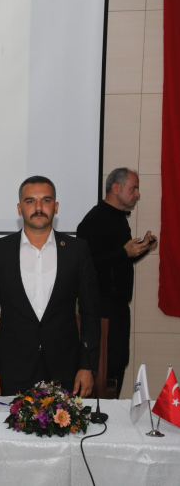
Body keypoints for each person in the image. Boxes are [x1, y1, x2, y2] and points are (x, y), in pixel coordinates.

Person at [0, 176, 100, 397]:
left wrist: (87, 365)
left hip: (66, 371)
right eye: (30, 201)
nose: (39, 207)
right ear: (19, 208)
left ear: (56, 207)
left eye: (46, 200)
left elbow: (90, 313)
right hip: (11, 371)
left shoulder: (77, 250)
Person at [77, 168, 157, 396]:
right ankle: (98, 412)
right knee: (104, 367)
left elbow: (117, 261)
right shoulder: (94, 220)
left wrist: (142, 249)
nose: (137, 194)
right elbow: (85, 265)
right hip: (101, 309)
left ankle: (110, 412)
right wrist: (124, 252)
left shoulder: (119, 218)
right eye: (133, 188)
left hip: (118, 308)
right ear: (116, 188)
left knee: (118, 363)